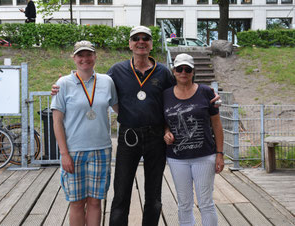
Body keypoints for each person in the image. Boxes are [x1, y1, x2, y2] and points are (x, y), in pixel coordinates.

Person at [51, 26, 220, 226]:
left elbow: (182, 87)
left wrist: (205, 91)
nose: (141, 42)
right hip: (128, 138)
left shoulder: (164, 72)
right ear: (130, 44)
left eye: (145, 38)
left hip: (156, 138)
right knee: (121, 192)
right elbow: (90, 81)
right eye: (136, 38)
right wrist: (59, 87)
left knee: (154, 195)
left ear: (151, 44)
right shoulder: (116, 71)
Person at [51, 40, 118, 226]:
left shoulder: (107, 81)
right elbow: (57, 122)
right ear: (73, 58)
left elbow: (121, 108)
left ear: (95, 57)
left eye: (89, 54)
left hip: (101, 150)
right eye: (80, 55)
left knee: (96, 202)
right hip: (73, 151)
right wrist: (64, 154)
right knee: (77, 202)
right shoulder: (63, 83)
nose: (85, 59)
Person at [163, 53, 224, 226]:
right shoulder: (166, 95)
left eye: (187, 69)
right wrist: (166, 132)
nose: (183, 72)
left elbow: (217, 125)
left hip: (204, 156)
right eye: (179, 69)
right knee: (184, 203)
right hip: (177, 158)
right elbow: (164, 121)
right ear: (174, 71)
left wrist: (220, 154)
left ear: (193, 71)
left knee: (206, 203)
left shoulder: (206, 92)